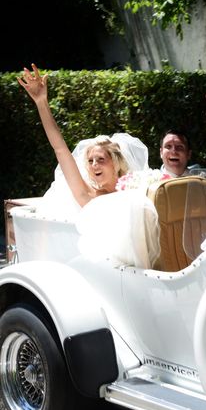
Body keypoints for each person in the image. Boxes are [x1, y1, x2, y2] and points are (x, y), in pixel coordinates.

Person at [18, 63, 159, 268]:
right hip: (106, 268)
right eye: (90, 161)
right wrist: (41, 102)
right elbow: (60, 149)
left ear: (116, 163)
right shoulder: (88, 195)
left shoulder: (136, 188)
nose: (94, 165)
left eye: (101, 159)